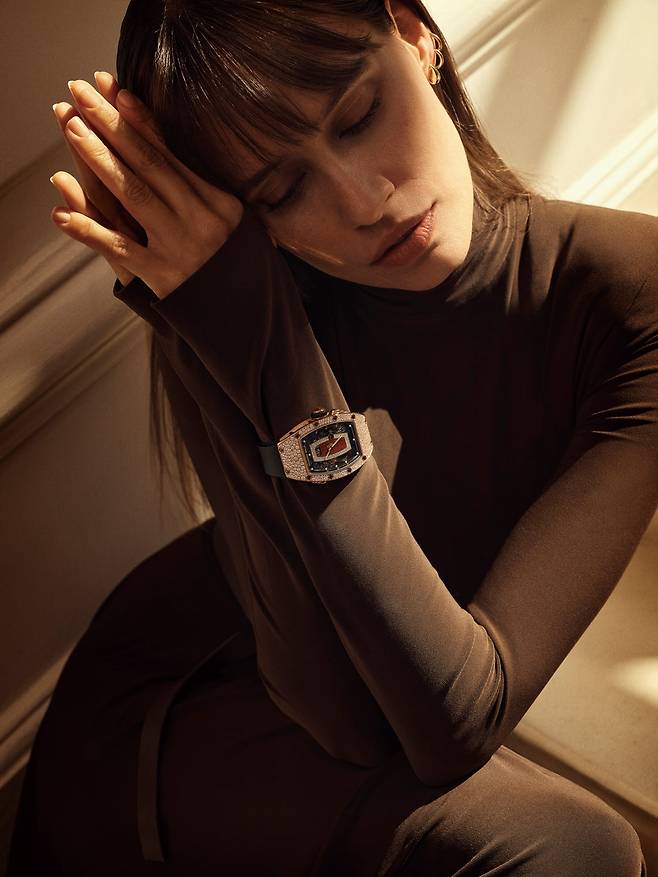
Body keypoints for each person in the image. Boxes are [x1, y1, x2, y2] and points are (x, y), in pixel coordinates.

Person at [8, 0, 657, 873]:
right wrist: (243, 340)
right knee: (573, 846)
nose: (363, 201)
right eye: (283, 190)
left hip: (386, 710)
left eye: (358, 116)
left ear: (415, 36)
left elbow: (463, 709)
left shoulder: (631, 297)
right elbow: (343, 714)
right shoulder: (251, 302)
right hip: (177, 702)